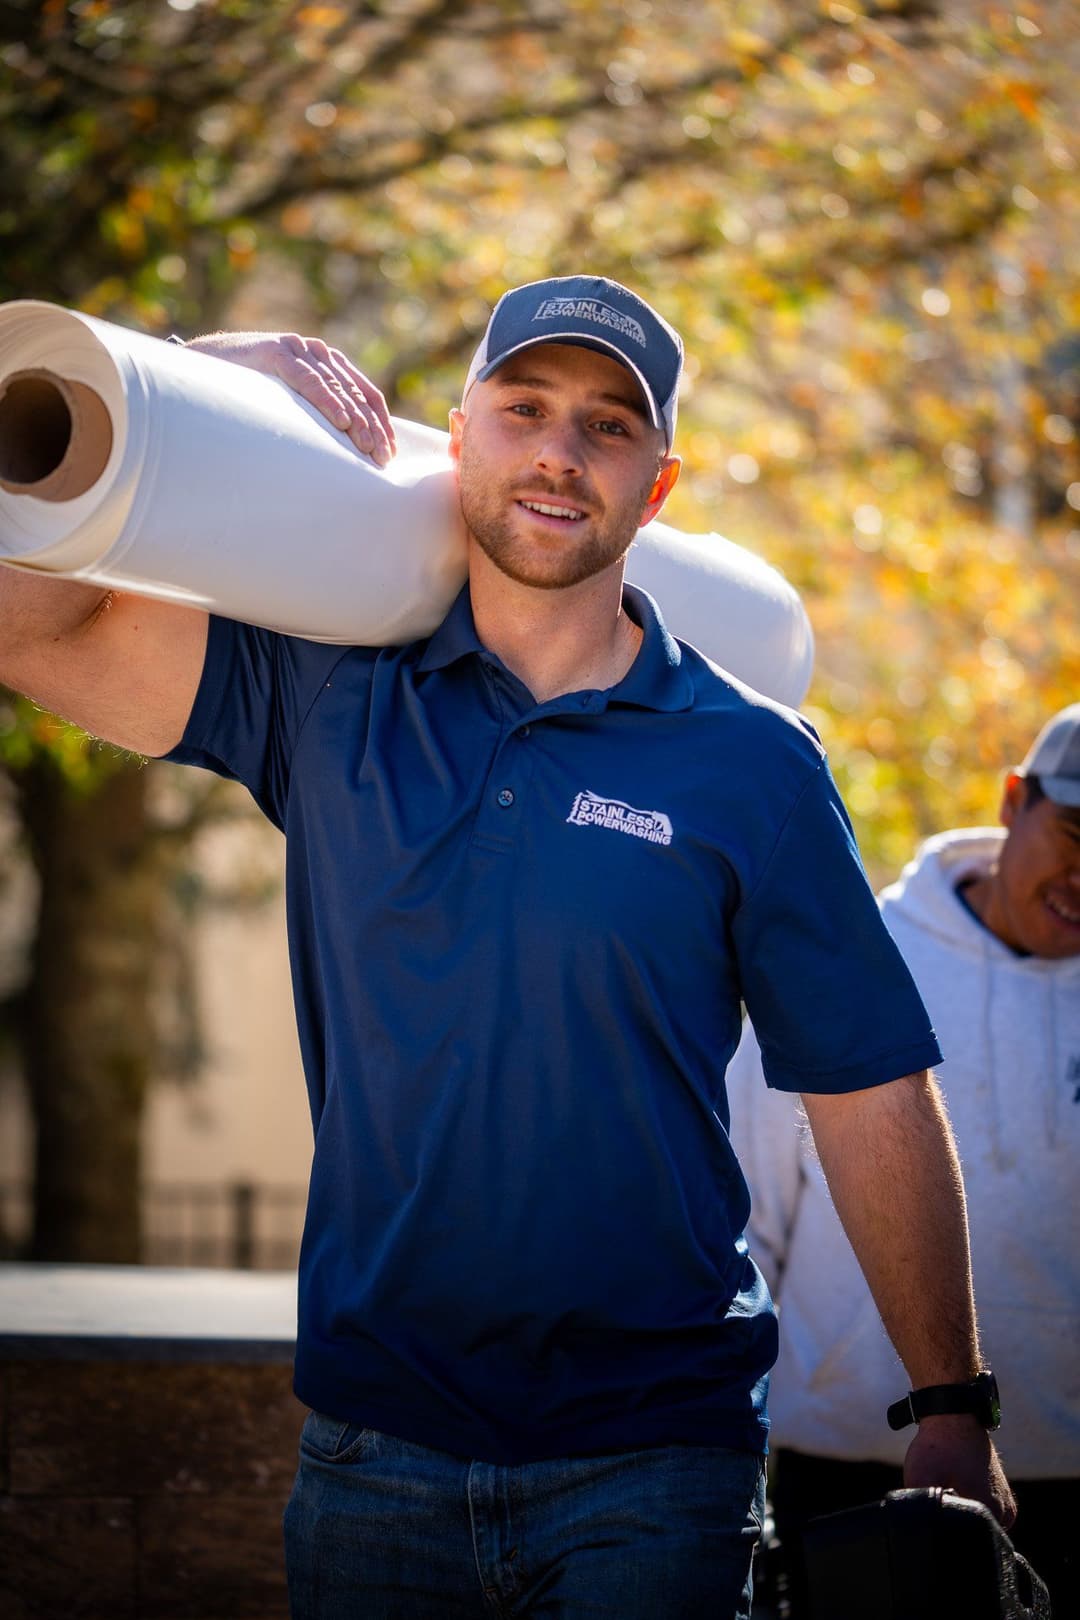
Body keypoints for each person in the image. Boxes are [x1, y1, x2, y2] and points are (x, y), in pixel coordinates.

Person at [0, 275, 1013, 1619]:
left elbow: (870, 1086)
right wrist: (185, 378)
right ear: (458, 438)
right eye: (525, 408)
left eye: (608, 425)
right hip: (376, 1454)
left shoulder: (752, 765)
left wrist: (950, 1403)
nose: (559, 450)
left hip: (654, 1461)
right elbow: (33, 623)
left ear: (657, 489)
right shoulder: (328, 693)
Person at [726, 703, 1080, 1617]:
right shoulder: (857, 956)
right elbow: (745, 1221)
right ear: (1014, 802)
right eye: (1074, 832)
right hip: (843, 1471)